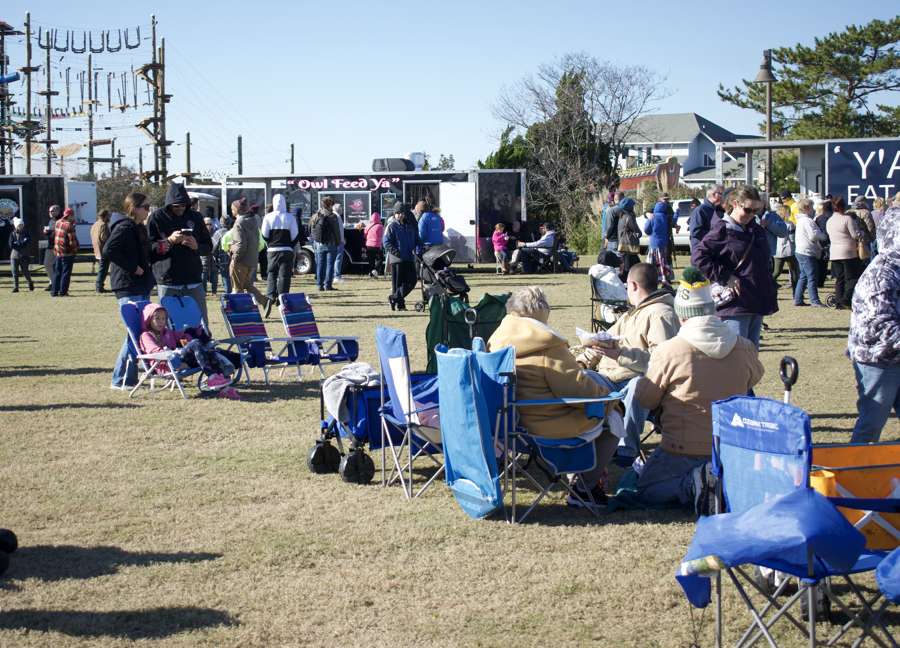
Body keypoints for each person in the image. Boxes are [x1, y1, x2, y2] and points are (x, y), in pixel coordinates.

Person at [634, 266, 764, 514]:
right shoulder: (744, 346)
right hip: (727, 449)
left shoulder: (669, 351)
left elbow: (646, 399)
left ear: (681, 316)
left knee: (646, 491)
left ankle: (693, 484)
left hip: (681, 448)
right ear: (712, 309)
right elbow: (753, 378)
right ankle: (716, 482)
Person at [487, 286, 621, 507]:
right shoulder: (549, 344)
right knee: (614, 419)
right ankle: (584, 488)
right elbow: (579, 392)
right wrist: (609, 398)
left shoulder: (496, 338)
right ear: (542, 311)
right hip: (547, 425)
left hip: (510, 426)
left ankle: (578, 480)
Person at [577, 262, 681, 465]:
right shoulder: (630, 314)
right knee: (583, 378)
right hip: (610, 380)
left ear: (632, 285)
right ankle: (584, 441)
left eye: (626, 286)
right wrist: (581, 363)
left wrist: (622, 354)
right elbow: (603, 341)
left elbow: (663, 361)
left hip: (638, 383)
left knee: (639, 385)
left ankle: (626, 448)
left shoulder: (661, 314)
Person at [691, 184, 777, 350]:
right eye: (748, 210)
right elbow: (698, 259)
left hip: (758, 298)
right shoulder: (722, 230)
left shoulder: (756, 230)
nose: (752, 215)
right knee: (735, 354)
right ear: (735, 204)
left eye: (756, 211)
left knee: (751, 356)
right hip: (736, 304)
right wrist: (726, 275)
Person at [848, 205, 900, 443]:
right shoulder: (881, 275)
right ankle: (853, 475)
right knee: (872, 423)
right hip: (877, 360)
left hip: (895, 355)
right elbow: (880, 326)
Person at [104, 192, 157, 389]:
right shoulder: (125, 227)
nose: (148, 209)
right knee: (135, 333)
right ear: (134, 208)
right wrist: (132, 267)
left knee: (139, 333)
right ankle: (120, 380)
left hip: (141, 285)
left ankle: (128, 378)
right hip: (128, 286)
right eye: (145, 206)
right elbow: (109, 250)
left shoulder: (137, 228)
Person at [139, 303, 242, 400]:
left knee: (210, 353)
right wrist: (177, 361)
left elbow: (185, 336)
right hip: (168, 366)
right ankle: (212, 378)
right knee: (196, 342)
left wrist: (187, 344)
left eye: (163, 318)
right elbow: (158, 353)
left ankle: (226, 390)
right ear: (148, 319)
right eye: (157, 319)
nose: (161, 321)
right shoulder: (146, 335)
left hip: (180, 361)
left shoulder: (167, 332)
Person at [147, 184, 214, 329]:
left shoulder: (195, 216)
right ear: (169, 204)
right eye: (176, 206)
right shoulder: (156, 217)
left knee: (200, 320)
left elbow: (209, 246)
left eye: (183, 205)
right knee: (168, 323)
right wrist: (169, 241)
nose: (180, 208)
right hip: (168, 279)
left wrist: (197, 247)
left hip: (193, 279)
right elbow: (148, 250)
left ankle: (204, 347)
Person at [229, 199, 270, 314]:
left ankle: (241, 313)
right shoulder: (253, 222)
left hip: (241, 260)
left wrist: (234, 258)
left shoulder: (239, 223)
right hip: (252, 260)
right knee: (247, 284)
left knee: (237, 288)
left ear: (235, 210)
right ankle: (264, 300)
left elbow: (240, 244)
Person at [262, 194, 300, 313]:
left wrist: (271, 243)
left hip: (272, 250)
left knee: (271, 273)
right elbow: (295, 237)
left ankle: (270, 296)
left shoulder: (268, 217)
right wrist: (296, 250)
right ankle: (282, 299)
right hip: (287, 250)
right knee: (284, 276)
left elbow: (264, 235)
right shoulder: (290, 217)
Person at [382, 201, 422, 311]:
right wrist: (397, 252)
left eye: (402, 212)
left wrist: (421, 246)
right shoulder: (391, 227)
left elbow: (417, 238)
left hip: (410, 258)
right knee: (397, 284)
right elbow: (386, 243)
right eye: (398, 212)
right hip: (398, 259)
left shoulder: (409, 226)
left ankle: (393, 298)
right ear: (394, 213)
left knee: (412, 281)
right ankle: (400, 306)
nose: (400, 215)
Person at [826, 196, 863, 310]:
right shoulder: (847, 219)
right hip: (848, 252)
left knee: (840, 278)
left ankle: (838, 301)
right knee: (853, 277)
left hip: (835, 253)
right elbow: (855, 234)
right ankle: (846, 299)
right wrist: (861, 232)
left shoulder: (830, 220)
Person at [793, 197, 827, 307]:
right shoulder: (808, 221)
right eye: (811, 208)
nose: (813, 210)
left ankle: (798, 299)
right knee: (812, 276)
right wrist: (823, 236)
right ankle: (815, 300)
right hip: (807, 251)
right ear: (805, 209)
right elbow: (814, 235)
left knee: (803, 276)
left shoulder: (800, 220)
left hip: (800, 251)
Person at [309, 196, 341, 291]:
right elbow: (336, 231)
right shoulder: (333, 216)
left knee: (320, 265)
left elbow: (312, 229)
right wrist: (338, 242)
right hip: (331, 244)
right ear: (330, 205)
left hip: (319, 244)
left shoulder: (316, 216)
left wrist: (317, 239)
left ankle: (319, 285)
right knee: (330, 265)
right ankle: (328, 285)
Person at [644, 201, 674, 284]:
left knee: (655, 261)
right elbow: (673, 221)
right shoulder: (666, 217)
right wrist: (677, 211)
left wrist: (650, 234)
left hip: (654, 242)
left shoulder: (652, 217)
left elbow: (646, 229)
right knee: (664, 260)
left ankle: (654, 277)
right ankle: (666, 276)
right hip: (665, 243)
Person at [52, 208, 79, 297]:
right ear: (70, 215)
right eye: (73, 215)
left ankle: (54, 292)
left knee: (57, 272)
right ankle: (63, 292)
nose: (74, 217)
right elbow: (73, 242)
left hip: (58, 252)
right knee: (66, 273)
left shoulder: (58, 222)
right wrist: (75, 250)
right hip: (67, 253)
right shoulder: (69, 226)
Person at [771, 205, 798, 292]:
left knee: (776, 272)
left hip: (777, 251)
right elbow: (792, 238)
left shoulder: (775, 224)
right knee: (794, 272)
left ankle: (768, 286)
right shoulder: (790, 224)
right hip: (789, 250)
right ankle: (795, 293)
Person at [689, 185, 725, 250]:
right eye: (722, 194)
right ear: (713, 195)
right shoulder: (700, 210)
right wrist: (716, 234)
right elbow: (696, 232)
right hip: (702, 251)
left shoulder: (720, 210)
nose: (725, 197)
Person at [615, 198, 641, 278]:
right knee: (629, 269)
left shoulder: (621, 215)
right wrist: (638, 235)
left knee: (637, 264)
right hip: (629, 245)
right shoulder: (630, 217)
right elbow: (636, 230)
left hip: (622, 243)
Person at [8, 217, 34, 292]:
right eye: (19, 225)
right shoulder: (12, 234)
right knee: (15, 271)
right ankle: (16, 287)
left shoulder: (26, 233)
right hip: (14, 255)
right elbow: (11, 245)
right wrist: (21, 243)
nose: (21, 226)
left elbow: (27, 241)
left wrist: (18, 243)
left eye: (22, 225)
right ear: (16, 226)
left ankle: (30, 282)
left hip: (24, 254)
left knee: (25, 272)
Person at [210, 214, 233, 295]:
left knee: (226, 276)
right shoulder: (235, 231)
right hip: (235, 257)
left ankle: (228, 293)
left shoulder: (219, 233)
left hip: (223, 258)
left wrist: (215, 256)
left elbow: (214, 246)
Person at [91, 209, 111, 293]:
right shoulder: (103, 225)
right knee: (103, 270)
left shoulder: (95, 224)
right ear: (106, 216)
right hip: (102, 250)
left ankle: (99, 286)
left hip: (96, 250)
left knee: (101, 269)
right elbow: (104, 238)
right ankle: (99, 286)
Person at [815, 199, 834, 288]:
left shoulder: (820, 218)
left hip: (822, 242)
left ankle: (820, 282)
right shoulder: (835, 216)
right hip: (834, 241)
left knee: (821, 263)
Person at [43, 204, 60, 290]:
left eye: (52, 211)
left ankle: (58, 284)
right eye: (49, 211)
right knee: (47, 263)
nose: (50, 212)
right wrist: (46, 232)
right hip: (50, 246)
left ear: (57, 211)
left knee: (58, 266)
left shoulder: (61, 220)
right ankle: (52, 282)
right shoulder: (51, 221)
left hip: (59, 246)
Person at [364, 212, 384, 279]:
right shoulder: (381, 227)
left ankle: (372, 276)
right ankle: (376, 269)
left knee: (371, 260)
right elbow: (383, 236)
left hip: (368, 245)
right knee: (380, 258)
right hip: (378, 246)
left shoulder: (367, 226)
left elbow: (365, 235)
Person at [200, 217, 217, 294]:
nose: (209, 226)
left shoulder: (215, 233)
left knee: (215, 276)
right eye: (207, 224)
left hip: (214, 258)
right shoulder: (201, 233)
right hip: (204, 257)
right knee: (204, 276)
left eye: (210, 224)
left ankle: (214, 292)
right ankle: (204, 291)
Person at [332, 203, 347, 283]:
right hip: (338, 241)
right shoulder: (338, 217)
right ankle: (337, 276)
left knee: (333, 259)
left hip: (332, 241)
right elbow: (340, 231)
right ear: (339, 210)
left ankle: (333, 275)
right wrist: (342, 240)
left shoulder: (332, 215)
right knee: (338, 258)